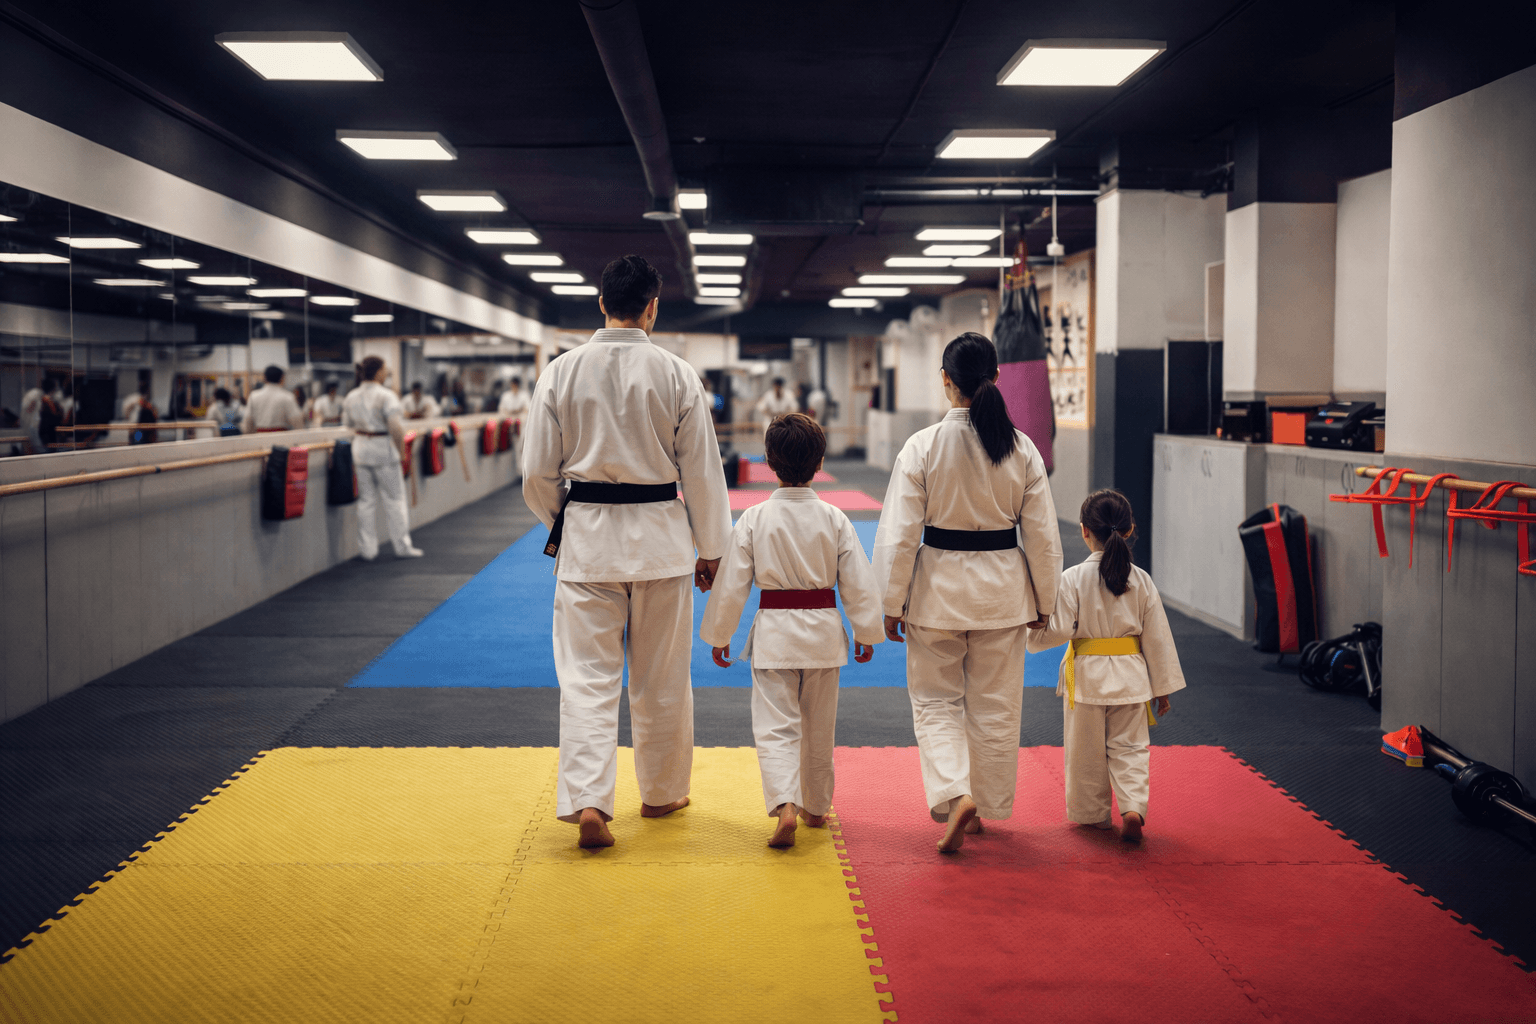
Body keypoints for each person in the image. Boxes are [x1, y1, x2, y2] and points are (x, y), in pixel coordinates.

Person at [523, 254, 732, 850]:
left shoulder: (560, 373)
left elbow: (536, 474)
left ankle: (589, 800)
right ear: (652, 306)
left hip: (587, 545)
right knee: (662, 679)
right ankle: (662, 793)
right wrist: (712, 548)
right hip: (662, 544)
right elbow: (703, 472)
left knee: (587, 680)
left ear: (600, 303)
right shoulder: (676, 373)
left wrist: (565, 519)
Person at [872, 332, 1063, 853]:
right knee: (996, 705)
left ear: (945, 381)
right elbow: (1043, 537)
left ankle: (957, 796)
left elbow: (898, 536)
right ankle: (986, 803)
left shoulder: (923, 445)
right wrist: (1047, 602)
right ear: (997, 378)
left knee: (936, 703)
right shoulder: (1023, 448)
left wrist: (889, 604)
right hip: (1003, 591)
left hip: (937, 591)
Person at [700, 413, 883, 848]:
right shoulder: (836, 518)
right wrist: (865, 630)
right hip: (823, 636)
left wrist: (720, 633)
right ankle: (817, 807)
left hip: (775, 637)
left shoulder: (753, 519)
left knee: (776, 727)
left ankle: (785, 804)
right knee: (819, 727)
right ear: (819, 463)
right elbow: (857, 580)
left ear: (768, 461)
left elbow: (733, 585)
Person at [1026, 490, 1186, 843]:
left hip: (1086, 677)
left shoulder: (1072, 578)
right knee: (1130, 748)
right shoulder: (1141, 580)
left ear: (1084, 531)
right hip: (1131, 676)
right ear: (1128, 531)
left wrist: (1031, 628)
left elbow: (1059, 630)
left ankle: (1092, 815)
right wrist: (1163, 688)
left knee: (1085, 751)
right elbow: (1157, 638)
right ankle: (1132, 807)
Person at [343, 356, 423, 560]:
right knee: (395, 500)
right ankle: (402, 546)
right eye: (385, 369)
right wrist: (402, 451)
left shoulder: (351, 396)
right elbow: (395, 427)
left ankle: (368, 550)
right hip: (383, 450)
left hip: (360, 449)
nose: (387, 372)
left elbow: (347, 423)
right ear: (378, 372)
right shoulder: (386, 396)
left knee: (366, 502)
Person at [241, 366, 305, 433]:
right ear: (282, 378)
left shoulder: (253, 396)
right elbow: (297, 421)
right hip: (282, 438)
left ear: (264, 377)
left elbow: (247, 422)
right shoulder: (287, 396)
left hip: (260, 438)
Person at [497, 376, 531, 472]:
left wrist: (517, 411)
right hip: (510, 423)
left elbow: (527, 409)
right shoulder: (506, 395)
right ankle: (519, 471)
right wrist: (512, 412)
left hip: (522, 425)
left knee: (522, 447)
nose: (514, 386)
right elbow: (501, 409)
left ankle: (524, 471)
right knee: (515, 448)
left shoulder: (524, 395)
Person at [19, 375, 57, 455]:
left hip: (30, 426)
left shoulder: (36, 393)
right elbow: (29, 409)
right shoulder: (37, 394)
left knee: (32, 448)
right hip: (32, 426)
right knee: (37, 450)